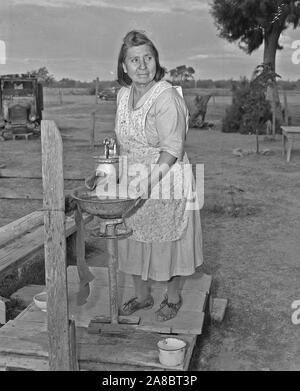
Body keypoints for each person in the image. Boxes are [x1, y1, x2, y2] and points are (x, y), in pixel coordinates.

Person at [114, 30, 203, 322]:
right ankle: (142, 297)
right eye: (134, 59)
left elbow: (173, 149)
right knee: (134, 237)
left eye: (148, 58)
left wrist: (148, 183)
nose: (142, 66)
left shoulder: (165, 97)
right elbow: (125, 140)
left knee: (168, 241)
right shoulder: (123, 95)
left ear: (156, 61)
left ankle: (173, 297)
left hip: (166, 179)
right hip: (134, 179)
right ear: (123, 66)